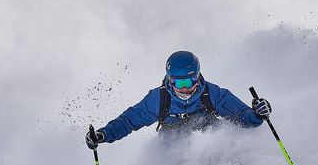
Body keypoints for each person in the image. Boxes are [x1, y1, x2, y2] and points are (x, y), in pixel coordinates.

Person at [85, 50, 271, 149]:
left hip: (208, 143)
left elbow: (244, 117)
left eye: (189, 80)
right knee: (168, 155)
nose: (184, 87)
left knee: (219, 141)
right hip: (172, 148)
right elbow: (128, 121)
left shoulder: (212, 94)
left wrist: (257, 114)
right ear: (169, 79)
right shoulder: (159, 99)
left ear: (197, 77)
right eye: (178, 81)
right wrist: (103, 135)